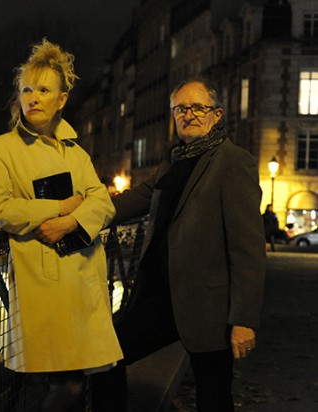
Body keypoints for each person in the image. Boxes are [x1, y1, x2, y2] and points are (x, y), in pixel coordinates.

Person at [0, 39, 123, 411]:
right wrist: (60, 206)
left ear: (62, 99)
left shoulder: (75, 151)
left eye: (43, 90)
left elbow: (103, 203)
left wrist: (69, 221)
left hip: (84, 280)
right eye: (27, 90)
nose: (33, 98)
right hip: (43, 283)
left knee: (75, 385)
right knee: (68, 385)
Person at [107, 77, 266, 411]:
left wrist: (244, 319)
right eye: (180, 108)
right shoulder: (175, 159)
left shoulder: (233, 161)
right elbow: (136, 199)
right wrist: (79, 212)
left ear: (217, 114)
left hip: (210, 306)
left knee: (214, 395)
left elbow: (247, 249)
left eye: (198, 108)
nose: (188, 114)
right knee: (107, 355)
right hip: (162, 298)